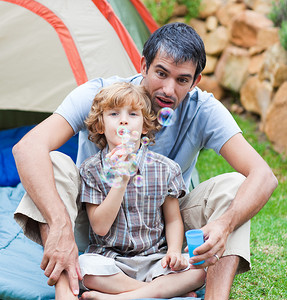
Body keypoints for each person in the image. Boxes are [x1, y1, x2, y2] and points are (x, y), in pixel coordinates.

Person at [13, 22, 278, 300]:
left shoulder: (204, 110)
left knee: (236, 186)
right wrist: (60, 225)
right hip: (96, 226)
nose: (168, 89)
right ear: (143, 65)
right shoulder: (102, 96)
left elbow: (263, 175)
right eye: (161, 73)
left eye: (182, 80)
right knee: (53, 163)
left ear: (196, 81)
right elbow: (28, 148)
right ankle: (67, 293)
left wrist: (224, 224)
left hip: (162, 232)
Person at [62, 82, 204, 299]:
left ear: (145, 126)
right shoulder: (91, 170)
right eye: (113, 113)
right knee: (85, 270)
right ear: (100, 125)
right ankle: (156, 293)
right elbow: (100, 227)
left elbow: (174, 219)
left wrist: (174, 251)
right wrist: (121, 179)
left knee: (199, 273)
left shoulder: (166, 168)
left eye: (133, 114)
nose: (124, 120)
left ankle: (117, 298)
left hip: (154, 260)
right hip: (110, 261)